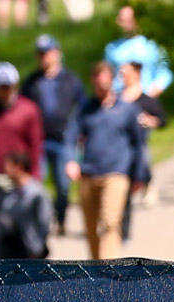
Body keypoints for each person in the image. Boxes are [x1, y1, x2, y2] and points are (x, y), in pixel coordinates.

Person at [63, 60, 144, 260]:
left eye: (105, 84)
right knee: (90, 227)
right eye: (98, 85)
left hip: (116, 173)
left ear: (112, 82)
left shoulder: (126, 110)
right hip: (89, 173)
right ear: (93, 82)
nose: (102, 88)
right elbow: (70, 137)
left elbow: (138, 144)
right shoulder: (85, 110)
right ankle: (96, 270)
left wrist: (140, 175)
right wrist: (70, 161)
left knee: (109, 223)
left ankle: (109, 272)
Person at [21, 34, 83, 232]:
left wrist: (80, 133)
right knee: (37, 183)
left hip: (64, 139)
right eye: (40, 54)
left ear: (57, 53)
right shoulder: (31, 82)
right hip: (39, 140)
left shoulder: (70, 79)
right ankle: (41, 222)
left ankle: (61, 218)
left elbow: (83, 106)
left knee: (63, 185)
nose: (44, 57)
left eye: (47, 52)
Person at [116, 60, 163, 241]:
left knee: (131, 183)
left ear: (136, 73)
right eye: (121, 72)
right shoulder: (117, 98)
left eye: (125, 71)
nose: (122, 75)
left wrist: (150, 121)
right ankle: (119, 229)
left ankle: (147, 182)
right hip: (118, 149)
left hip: (139, 146)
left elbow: (162, 119)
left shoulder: (146, 100)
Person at [0, 150, 48, 258]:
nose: (5, 169)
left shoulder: (37, 193)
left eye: (8, 165)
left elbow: (44, 223)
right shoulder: (10, 194)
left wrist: (37, 249)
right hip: (13, 249)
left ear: (19, 167)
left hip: (31, 250)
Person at [104, 6, 172, 98]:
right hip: (120, 99)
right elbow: (107, 74)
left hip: (144, 97)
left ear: (136, 19)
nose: (123, 23)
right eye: (121, 19)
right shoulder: (112, 48)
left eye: (127, 19)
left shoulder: (152, 45)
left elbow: (165, 73)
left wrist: (151, 94)